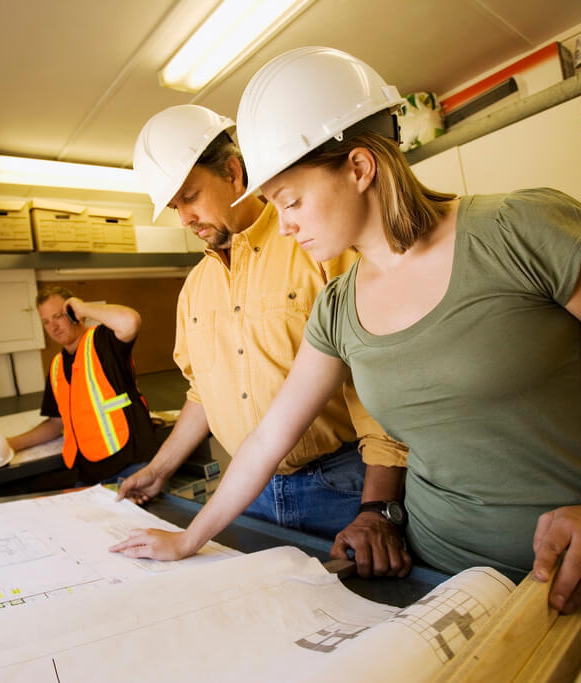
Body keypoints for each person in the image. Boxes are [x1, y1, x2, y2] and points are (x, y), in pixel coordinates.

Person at [110, 47, 581, 614]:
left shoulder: (521, 230)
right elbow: (270, 434)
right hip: (438, 583)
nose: (283, 223)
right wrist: (190, 538)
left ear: (358, 167)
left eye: (292, 201)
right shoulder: (337, 305)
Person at [115, 104, 412, 578]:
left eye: (191, 196)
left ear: (233, 172)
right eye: (175, 208)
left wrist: (377, 507)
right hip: (244, 493)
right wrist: (160, 467)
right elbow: (204, 394)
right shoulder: (195, 288)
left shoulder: (318, 244)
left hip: (340, 486)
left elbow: (380, 386)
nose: (186, 218)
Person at [7, 286, 155, 486]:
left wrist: (83, 308)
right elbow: (55, 424)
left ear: (73, 313)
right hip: (89, 476)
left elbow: (131, 321)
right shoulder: (57, 366)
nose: (53, 327)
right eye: (46, 322)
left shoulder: (103, 341)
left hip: (131, 467)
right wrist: (10, 444)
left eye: (58, 316)